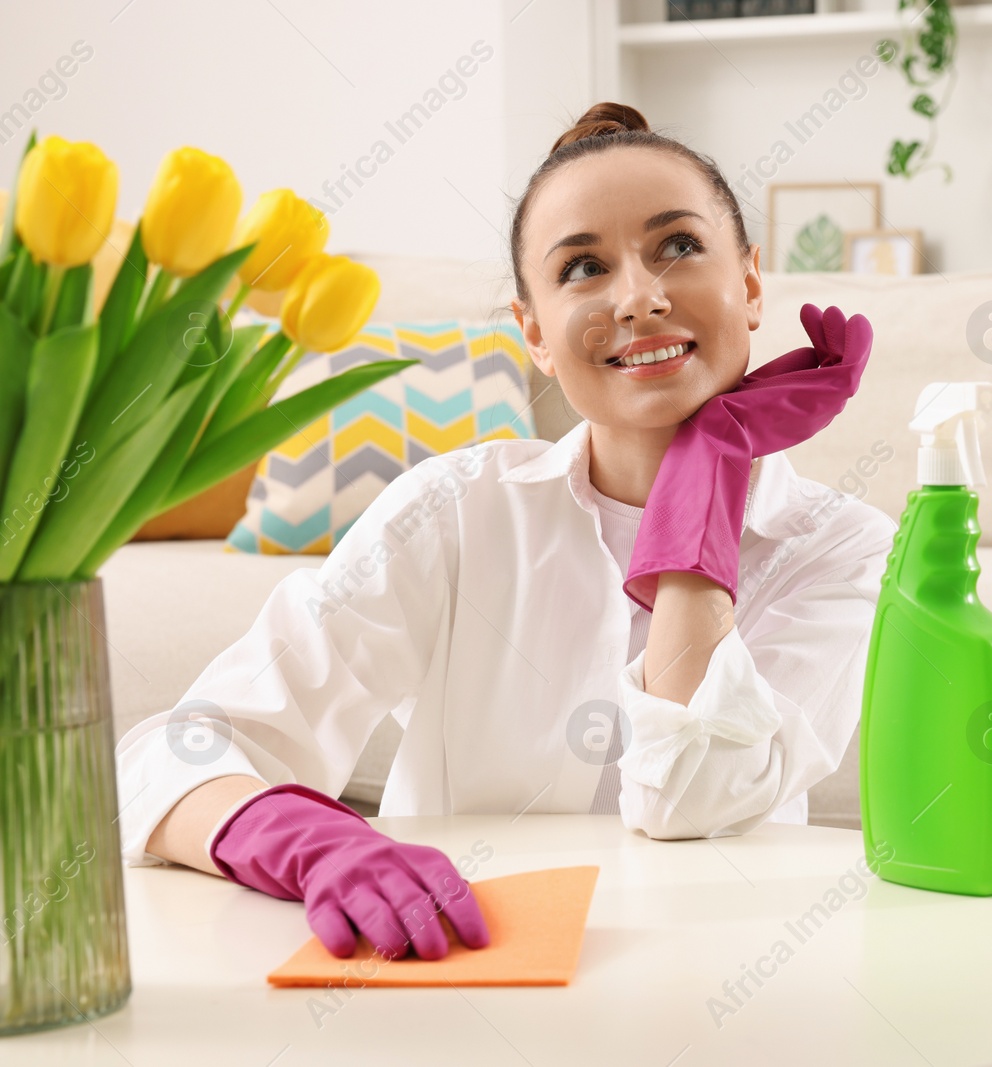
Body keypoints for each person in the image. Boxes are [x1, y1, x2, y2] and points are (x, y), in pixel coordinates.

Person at [112, 101, 898, 964]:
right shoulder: (455, 511)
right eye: (583, 267)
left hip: (714, 978)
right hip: (460, 973)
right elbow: (172, 751)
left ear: (750, 286)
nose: (638, 295)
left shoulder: (842, 550)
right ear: (533, 334)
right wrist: (307, 840)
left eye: (678, 246)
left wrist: (707, 471)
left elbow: (690, 794)